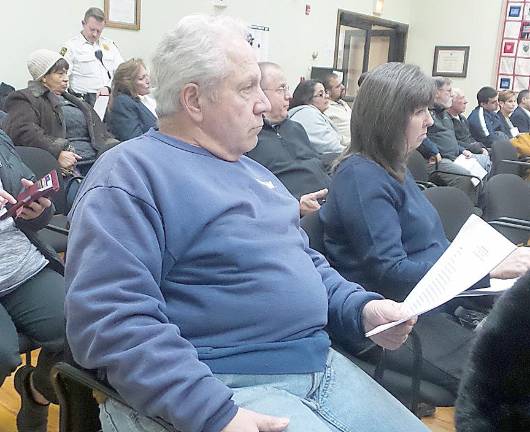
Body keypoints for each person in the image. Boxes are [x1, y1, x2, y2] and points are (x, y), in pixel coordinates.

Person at [64, 15, 428, 432]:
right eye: (246, 87)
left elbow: (305, 264)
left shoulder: (255, 173)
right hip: (216, 385)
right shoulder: (130, 175)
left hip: (318, 366)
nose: (264, 103)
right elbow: (111, 319)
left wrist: (361, 309)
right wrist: (213, 413)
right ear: (194, 100)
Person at [320, 62, 530, 394]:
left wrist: (488, 267)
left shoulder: (391, 167)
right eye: (419, 112)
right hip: (401, 315)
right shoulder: (361, 176)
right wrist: (486, 270)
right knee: (507, 379)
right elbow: (390, 271)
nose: (430, 120)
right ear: (388, 119)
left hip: (439, 301)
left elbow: (428, 247)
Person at [0, 129, 64, 432]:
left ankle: (37, 390)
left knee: (90, 323)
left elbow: (32, 208)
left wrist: (38, 209)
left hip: (24, 268)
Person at [3, 49, 118, 177]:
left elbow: (102, 133)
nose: (66, 79)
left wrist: (115, 148)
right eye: (60, 74)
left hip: (99, 159)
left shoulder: (76, 100)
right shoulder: (25, 98)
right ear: (44, 77)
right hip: (71, 167)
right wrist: (56, 151)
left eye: (66, 73)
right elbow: (23, 132)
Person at [246, 62, 330, 216]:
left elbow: (318, 164)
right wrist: (295, 205)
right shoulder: (248, 138)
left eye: (288, 88)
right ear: (260, 93)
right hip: (296, 217)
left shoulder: (296, 128)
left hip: (329, 203)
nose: (289, 96)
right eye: (281, 89)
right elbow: (252, 192)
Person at [418, 77, 490, 204]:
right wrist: (434, 151)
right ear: (436, 93)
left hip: (455, 157)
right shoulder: (426, 113)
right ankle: (462, 212)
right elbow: (421, 136)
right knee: (467, 177)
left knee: (480, 171)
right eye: (448, 91)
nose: (452, 94)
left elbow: (451, 139)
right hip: (436, 160)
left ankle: (476, 208)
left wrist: (462, 150)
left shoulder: (445, 114)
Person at [61, 7, 124, 106]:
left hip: (110, 97)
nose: (95, 34)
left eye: (99, 31)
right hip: (84, 101)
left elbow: (121, 71)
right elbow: (62, 77)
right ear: (83, 24)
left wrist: (108, 88)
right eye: (92, 29)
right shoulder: (71, 46)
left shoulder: (109, 45)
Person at [106, 58, 158, 141]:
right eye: (141, 78)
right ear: (128, 83)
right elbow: (134, 139)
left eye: (147, 75)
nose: (148, 81)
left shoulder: (148, 98)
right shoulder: (123, 102)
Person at [288, 79, 343, 155]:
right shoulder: (307, 114)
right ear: (307, 100)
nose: (327, 96)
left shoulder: (313, 112)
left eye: (325, 92)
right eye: (321, 95)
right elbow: (332, 147)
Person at [447, 88, 488, 154]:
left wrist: (481, 147)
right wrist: (478, 149)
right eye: (461, 98)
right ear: (451, 101)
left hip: (474, 149)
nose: (466, 101)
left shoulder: (463, 119)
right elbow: (453, 142)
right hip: (462, 153)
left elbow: (469, 138)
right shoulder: (446, 120)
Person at [322, 72, 351, 146]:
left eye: (341, 84)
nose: (343, 87)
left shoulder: (342, 103)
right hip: (346, 148)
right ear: (328, 92)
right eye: (338, 86)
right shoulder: (326, 108)